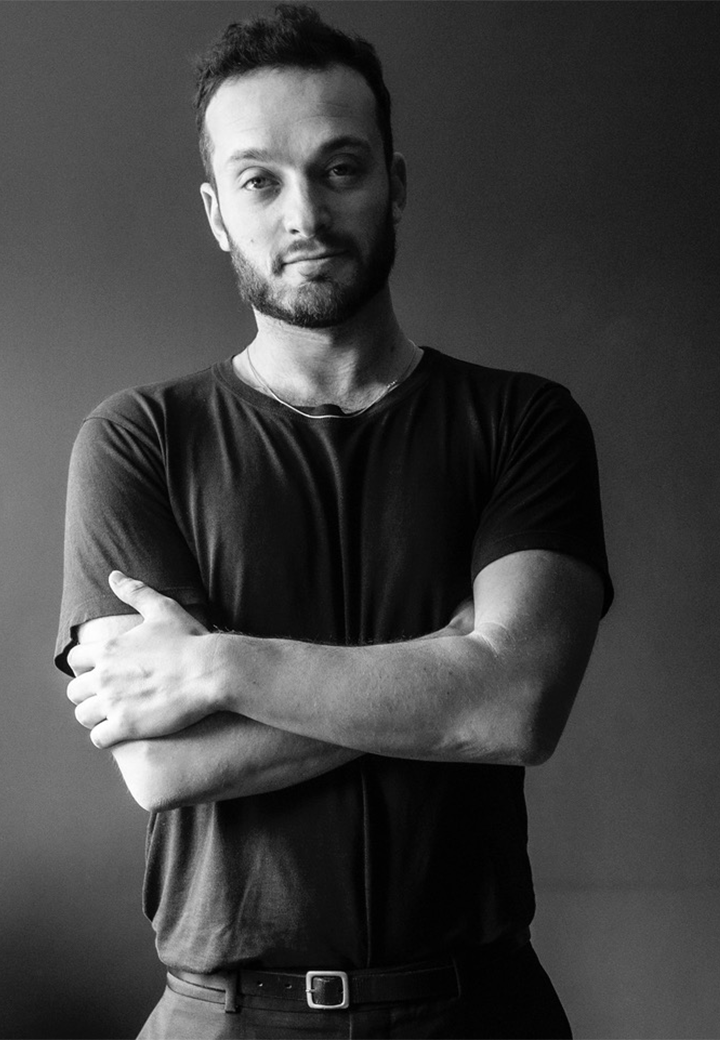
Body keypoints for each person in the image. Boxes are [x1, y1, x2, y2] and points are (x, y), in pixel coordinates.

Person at [55, 6, 613, 1038]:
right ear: (217, 212)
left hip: (475, 1012)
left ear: (394, 183)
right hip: (221, 1016)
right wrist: (447, 672)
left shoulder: (522, 422)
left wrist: (218, 666)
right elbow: (162, 766)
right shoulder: (138, 439)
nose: (304, 213)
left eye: (340, 168)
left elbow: (516, 708)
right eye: (260, 181)